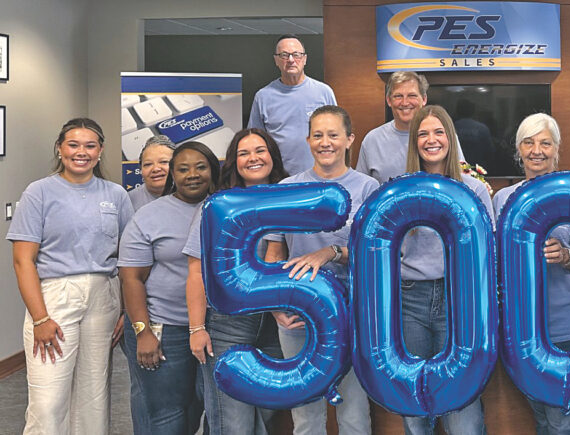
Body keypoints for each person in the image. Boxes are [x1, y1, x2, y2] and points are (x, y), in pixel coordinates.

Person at [7, 118, 133, 434]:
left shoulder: (116, 195)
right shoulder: (39, 192)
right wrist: (40, 318)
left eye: (90, 146)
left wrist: (125, 310)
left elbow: (130, 258)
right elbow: (23, 261)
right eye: (73, 144)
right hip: (54, 299)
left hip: (104, 297)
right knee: (48, 400)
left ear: (100, 151)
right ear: (59, 148)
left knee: (94, 396)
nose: (81, 152)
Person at [263, 105, 379, 435]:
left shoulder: (368, 188)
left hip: (351, 314)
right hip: (299, 317)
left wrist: (331, 252)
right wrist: (274, 308)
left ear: (349, 140)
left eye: (333, 135)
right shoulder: (288, 188)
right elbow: (274, 253)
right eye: (317, 135)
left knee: (354, 413)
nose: (325, 142)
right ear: (308, 140)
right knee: (306, 416)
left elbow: (375, 255)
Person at [184, 128, 289, 435]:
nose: (253, 158)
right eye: (244, 153)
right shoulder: (218, 206)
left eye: (260, 151)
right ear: (234, 162)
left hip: (275, 325)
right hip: (227, 324)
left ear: (272, 156)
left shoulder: (290, 198)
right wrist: (196, 328)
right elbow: (196, 271)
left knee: (267, 416)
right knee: (234, 423)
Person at [491, 113, 570, 434]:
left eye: (545, 143)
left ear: (557, 148)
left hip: (567, 327)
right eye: (528, 143)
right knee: (543, 419)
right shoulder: (503, 198)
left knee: (563, 421)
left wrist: (566, 255)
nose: (537, 151)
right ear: (518, 150)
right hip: (521, 328)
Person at [399, 105, 493, 435]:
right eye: (423, 133)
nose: (431, 140)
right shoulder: (400, 190)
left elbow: (488, 253)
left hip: (459, 300)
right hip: (410, 300)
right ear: (414, 142)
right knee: (415, 404)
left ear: (450, 138)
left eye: (439, 132)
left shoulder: (474, 189)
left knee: (462, 407)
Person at [119, 141, 220, 434]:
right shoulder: (149, 215)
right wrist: (143, 333)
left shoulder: (225, 208)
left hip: (214, 327)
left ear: (213, 171)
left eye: (200, 167)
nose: (193, 175)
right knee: (168, 413)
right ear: (173, 175)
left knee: (203, 406)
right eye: (183, 169)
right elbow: (131, 279)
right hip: (163, 326)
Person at [249, 34, 338, 175]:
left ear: (305, 59)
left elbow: (337, 134)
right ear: (276, 60)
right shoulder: (263, 97)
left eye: (296, 55)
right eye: (284, 55)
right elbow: (254, 141)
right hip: (279, 177)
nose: (291, 60)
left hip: (321, 175)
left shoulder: (323, 92)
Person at [355, 71, 463, 184]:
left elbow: (460, 176)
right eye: (398, 96)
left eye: (412, 96)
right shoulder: (372, 140)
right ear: (389, 100)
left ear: (424, 99)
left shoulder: (443, 138)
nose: (405, 102)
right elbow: (362, 187)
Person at [128, 134, 174, 210]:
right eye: (148, 164)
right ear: (141, 170)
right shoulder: (128, 201)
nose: (155, 169)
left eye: (163, 162)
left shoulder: (193, 196)